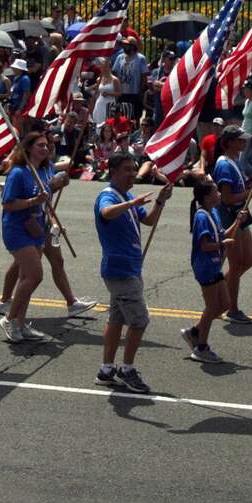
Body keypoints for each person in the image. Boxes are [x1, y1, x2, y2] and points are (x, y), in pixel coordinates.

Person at [93, 151, 170, 394]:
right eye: (127, 169)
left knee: (117, 319)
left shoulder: (125, 195)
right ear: (113, 171)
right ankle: (127, 369)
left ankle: (106, 370)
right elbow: (106, 213)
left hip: (130, 267)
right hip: (121, 270)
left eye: (134, 169)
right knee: (139, 321)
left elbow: (148, 221)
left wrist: (160, 200)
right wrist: (131, 203)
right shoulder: (107, 196)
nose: (132, 174)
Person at [0, 131, 55, 343]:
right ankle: (10, 318)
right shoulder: (18, 173)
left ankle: (20, 324)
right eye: (40, 145)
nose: (45, 148)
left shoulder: (44, 170)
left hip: (36, 228)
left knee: (25, 278)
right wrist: (32, 201)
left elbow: (47, 197)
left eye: (46, 145)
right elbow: (8, 204)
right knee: (35, 276)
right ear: (28, 148)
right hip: (17, 229)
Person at [178, 178, 231, 364]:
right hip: (206, 266)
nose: (219, 194)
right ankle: (201, 347)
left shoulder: (213, 212)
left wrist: (238, 222)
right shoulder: (201, 217)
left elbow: (223, 235)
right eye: (216, 191)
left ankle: (194, 332)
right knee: (212, 307)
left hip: (215, 264)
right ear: (207, 198)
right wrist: (222, 244)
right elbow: (205, 245)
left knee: (224, 304)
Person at [210, 126, 252, 324]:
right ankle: (232, 308)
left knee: (247, 261)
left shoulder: (235, 161)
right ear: (229, 142)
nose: (243, 142)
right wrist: (248, 193)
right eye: (240, 140)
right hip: (230, 215)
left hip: (241, 214)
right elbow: (227, 198)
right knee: (236, 263)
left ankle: (224, 289)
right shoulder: (224, 165)